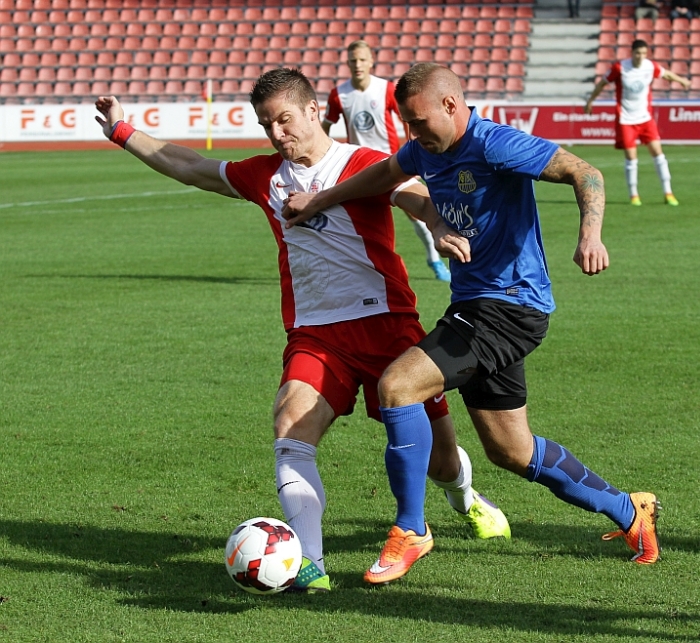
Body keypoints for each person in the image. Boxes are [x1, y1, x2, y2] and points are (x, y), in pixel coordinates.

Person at [93, 68, 510, 591]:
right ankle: (309, 563)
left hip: (387, 327)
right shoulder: (264, 175)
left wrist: (440, 225)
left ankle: (464, 498)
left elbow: (416, 197)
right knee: (290, 423)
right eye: (266, 125)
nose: (276, 133)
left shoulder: (361, 163)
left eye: (284, 120)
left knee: (441, 461)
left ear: (313, 111)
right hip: (316, 332)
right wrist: (122, 131)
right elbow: (190, 166)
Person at [282, 62, 662, 584]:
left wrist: (589, 236)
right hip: (481, 307)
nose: (413, 133)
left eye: (419, 122)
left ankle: (411, 529)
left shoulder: (495, 144)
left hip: (508, 307)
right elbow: (386, 174)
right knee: (511, 451)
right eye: (406, 123)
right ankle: (630, 511)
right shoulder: (424, 148)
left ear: (451, 105)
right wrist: (320, 200)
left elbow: (586, 172)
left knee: (397, 386)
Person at [323, 40, 452, 284]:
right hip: (359, 166)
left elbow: (408, 118)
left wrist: (412, 150)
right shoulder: (339, 94)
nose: (358, 64)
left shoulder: (386, 89)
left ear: (371, 62)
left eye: (362, 59)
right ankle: (365, 269)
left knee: (417, 213)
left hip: (393, 164)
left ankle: (434, 260)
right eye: (353, 60)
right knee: (359, 221)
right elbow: (325, 127)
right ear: (347, 63)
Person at [584, 40, 690, 207]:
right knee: (631, 158)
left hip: (645, 118)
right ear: (632, 53)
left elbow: (667, 74)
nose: (640, 57)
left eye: (644, 53)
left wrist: (682, 81)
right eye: (638, 53)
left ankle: (668, 193)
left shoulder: (650, 66)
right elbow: (603, 83)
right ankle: (634, 195)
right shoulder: (620, 68)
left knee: (658, 153)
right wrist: (591, 101)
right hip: (626, 119)